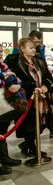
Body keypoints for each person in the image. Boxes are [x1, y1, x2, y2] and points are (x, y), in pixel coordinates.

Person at [9, 38, 53, 158]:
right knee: (29, 124)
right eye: (30, 48)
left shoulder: (39, 61)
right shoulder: (15, 62)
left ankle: (27, 146)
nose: (34, 50)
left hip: (40, 98)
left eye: (34, 47)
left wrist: (45, 86)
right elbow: (15, 80)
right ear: (22, 49)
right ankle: (32, 147)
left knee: (40, 123)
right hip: (26, 98)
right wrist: (31, 87)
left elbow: (48, 76)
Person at [0, 45, 23, 174]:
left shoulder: (3, 66)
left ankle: (4, 158)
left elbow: (17, 80)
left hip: (4, 104)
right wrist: (6, 78)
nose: (0, 54)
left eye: (0, 51)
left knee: (3, 130)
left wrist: (15, 83)